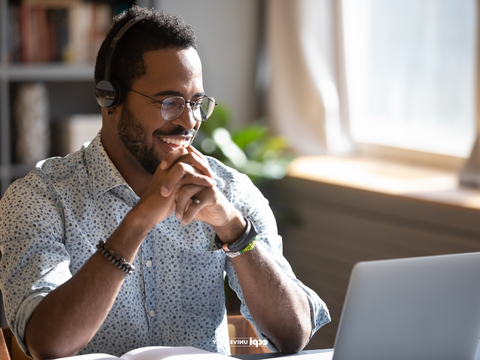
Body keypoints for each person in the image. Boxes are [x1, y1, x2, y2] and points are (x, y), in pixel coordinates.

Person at [0, 6, 330, 360]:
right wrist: (138, 221)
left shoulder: (228, 191)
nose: (188, 121)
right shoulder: (38, 198)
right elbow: (46, 342)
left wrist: (234, 230)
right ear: (110, 98)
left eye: (196, 102)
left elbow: (294, 336)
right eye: (169, 102)